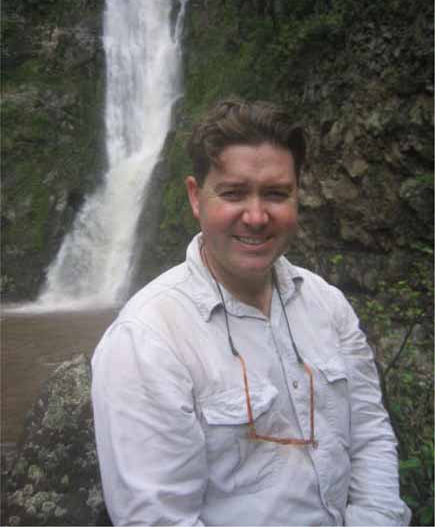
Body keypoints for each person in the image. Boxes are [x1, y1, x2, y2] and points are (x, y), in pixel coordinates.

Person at [91, 98, 411, 526]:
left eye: (277, 194)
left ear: (298, 196)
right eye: (234, 193)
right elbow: (157, 518)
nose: (257, 216)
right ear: (195, 197)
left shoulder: (327, 305)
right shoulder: (148, 337)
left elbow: (370, 437)